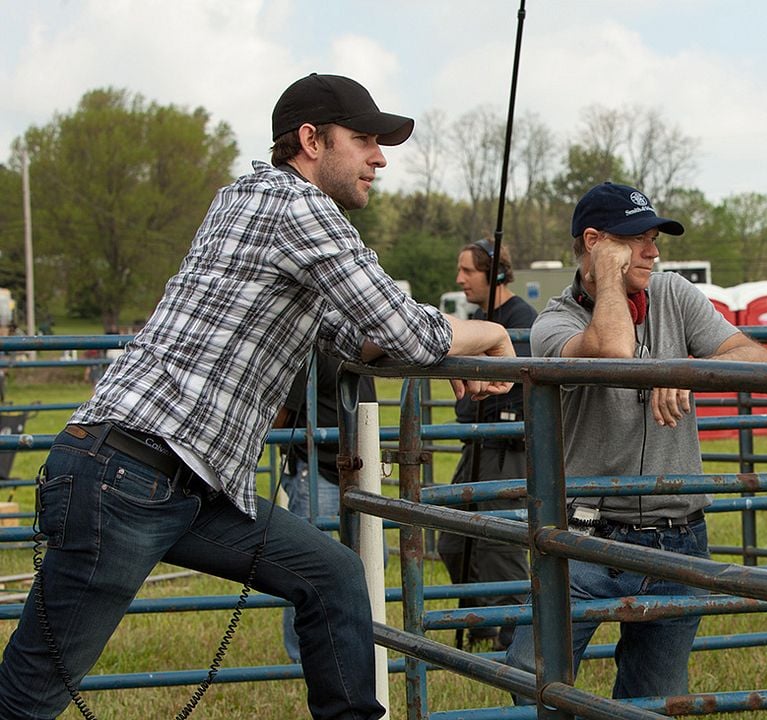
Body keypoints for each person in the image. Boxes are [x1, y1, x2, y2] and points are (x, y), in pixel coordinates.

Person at [0, 73, 515, 720]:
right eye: (363, 140)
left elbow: (356, 338)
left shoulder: (245, 200)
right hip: (130, 476)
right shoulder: (299, 209)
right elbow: (406, 330)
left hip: (174, 481)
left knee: (330, 576)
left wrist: (443, 352)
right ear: (310, 140)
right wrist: (491, 330)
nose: (379, 158)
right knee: (26, 698)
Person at [504, 181, 767, 700]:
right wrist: (607, 276)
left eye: (655, 237)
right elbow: (614, 349)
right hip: (586, 535)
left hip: (679, 533)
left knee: (654, 698)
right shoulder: (554, 322)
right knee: (530, 675)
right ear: (595, 241)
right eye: (636, 239)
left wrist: (691, 370)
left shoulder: (673, 293)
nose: (654, 250)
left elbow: (756, 358)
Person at [437, 240, 536, 651]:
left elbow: (522, 391)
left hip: (507, 446)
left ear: (495, 273)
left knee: (500, 545)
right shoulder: (479, 320)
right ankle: (481, 620)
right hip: (475, 445)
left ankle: (514, 638)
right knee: (454, 540)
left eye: (468, 271)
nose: (460, 280)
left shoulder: (521, 321)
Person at [275, 348, 377, 664]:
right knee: (307, 568)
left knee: (371, 561)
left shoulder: (359, 342)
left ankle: (344, 646)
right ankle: (303, 655)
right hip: (318, 468)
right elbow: (282, 413)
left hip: (355, 467)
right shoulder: (311, 344)